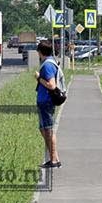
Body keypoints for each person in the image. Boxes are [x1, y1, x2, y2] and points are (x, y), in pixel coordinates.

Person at [35, 40, 62, 169]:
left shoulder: (47, 65)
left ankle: (54, 160)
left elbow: (52, 85)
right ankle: (54, 158)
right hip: (44, 101)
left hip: (46, 101)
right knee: (44, 129)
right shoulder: (50, 62)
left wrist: (39, 78)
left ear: (40, 52)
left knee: (48, 130)